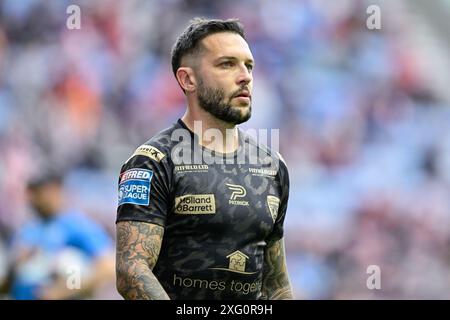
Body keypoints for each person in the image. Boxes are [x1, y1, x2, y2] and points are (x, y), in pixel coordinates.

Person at [116, 18, 293, 300]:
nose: (245, 76)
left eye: (248, 65)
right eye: (227, 64)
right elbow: (131, 271)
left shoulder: (272, 166)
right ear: (188, 79)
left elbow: (276, 284)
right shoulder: (153, 162)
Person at [9, 174, 116, 300]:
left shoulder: (77, 224)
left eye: (39, 191)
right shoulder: (28, 228)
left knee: (69, 259)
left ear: (56, 190)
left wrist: (62, 292)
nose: (33, 198)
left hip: (63, 293)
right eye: (31, 192)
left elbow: (108, 267)